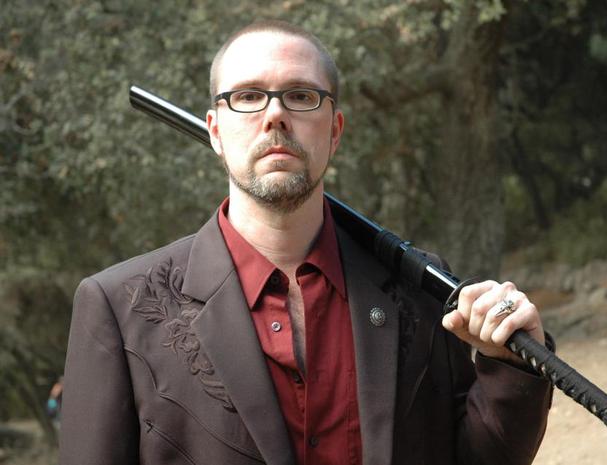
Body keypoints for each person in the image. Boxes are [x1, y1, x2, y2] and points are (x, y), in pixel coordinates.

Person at [60, 20, 554, 465]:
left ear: (334, 131)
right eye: (248, 96)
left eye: (300, 96)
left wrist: (511, 366)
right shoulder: (119, 308)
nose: (275, 115)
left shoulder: (419, 288)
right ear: (215, 131)